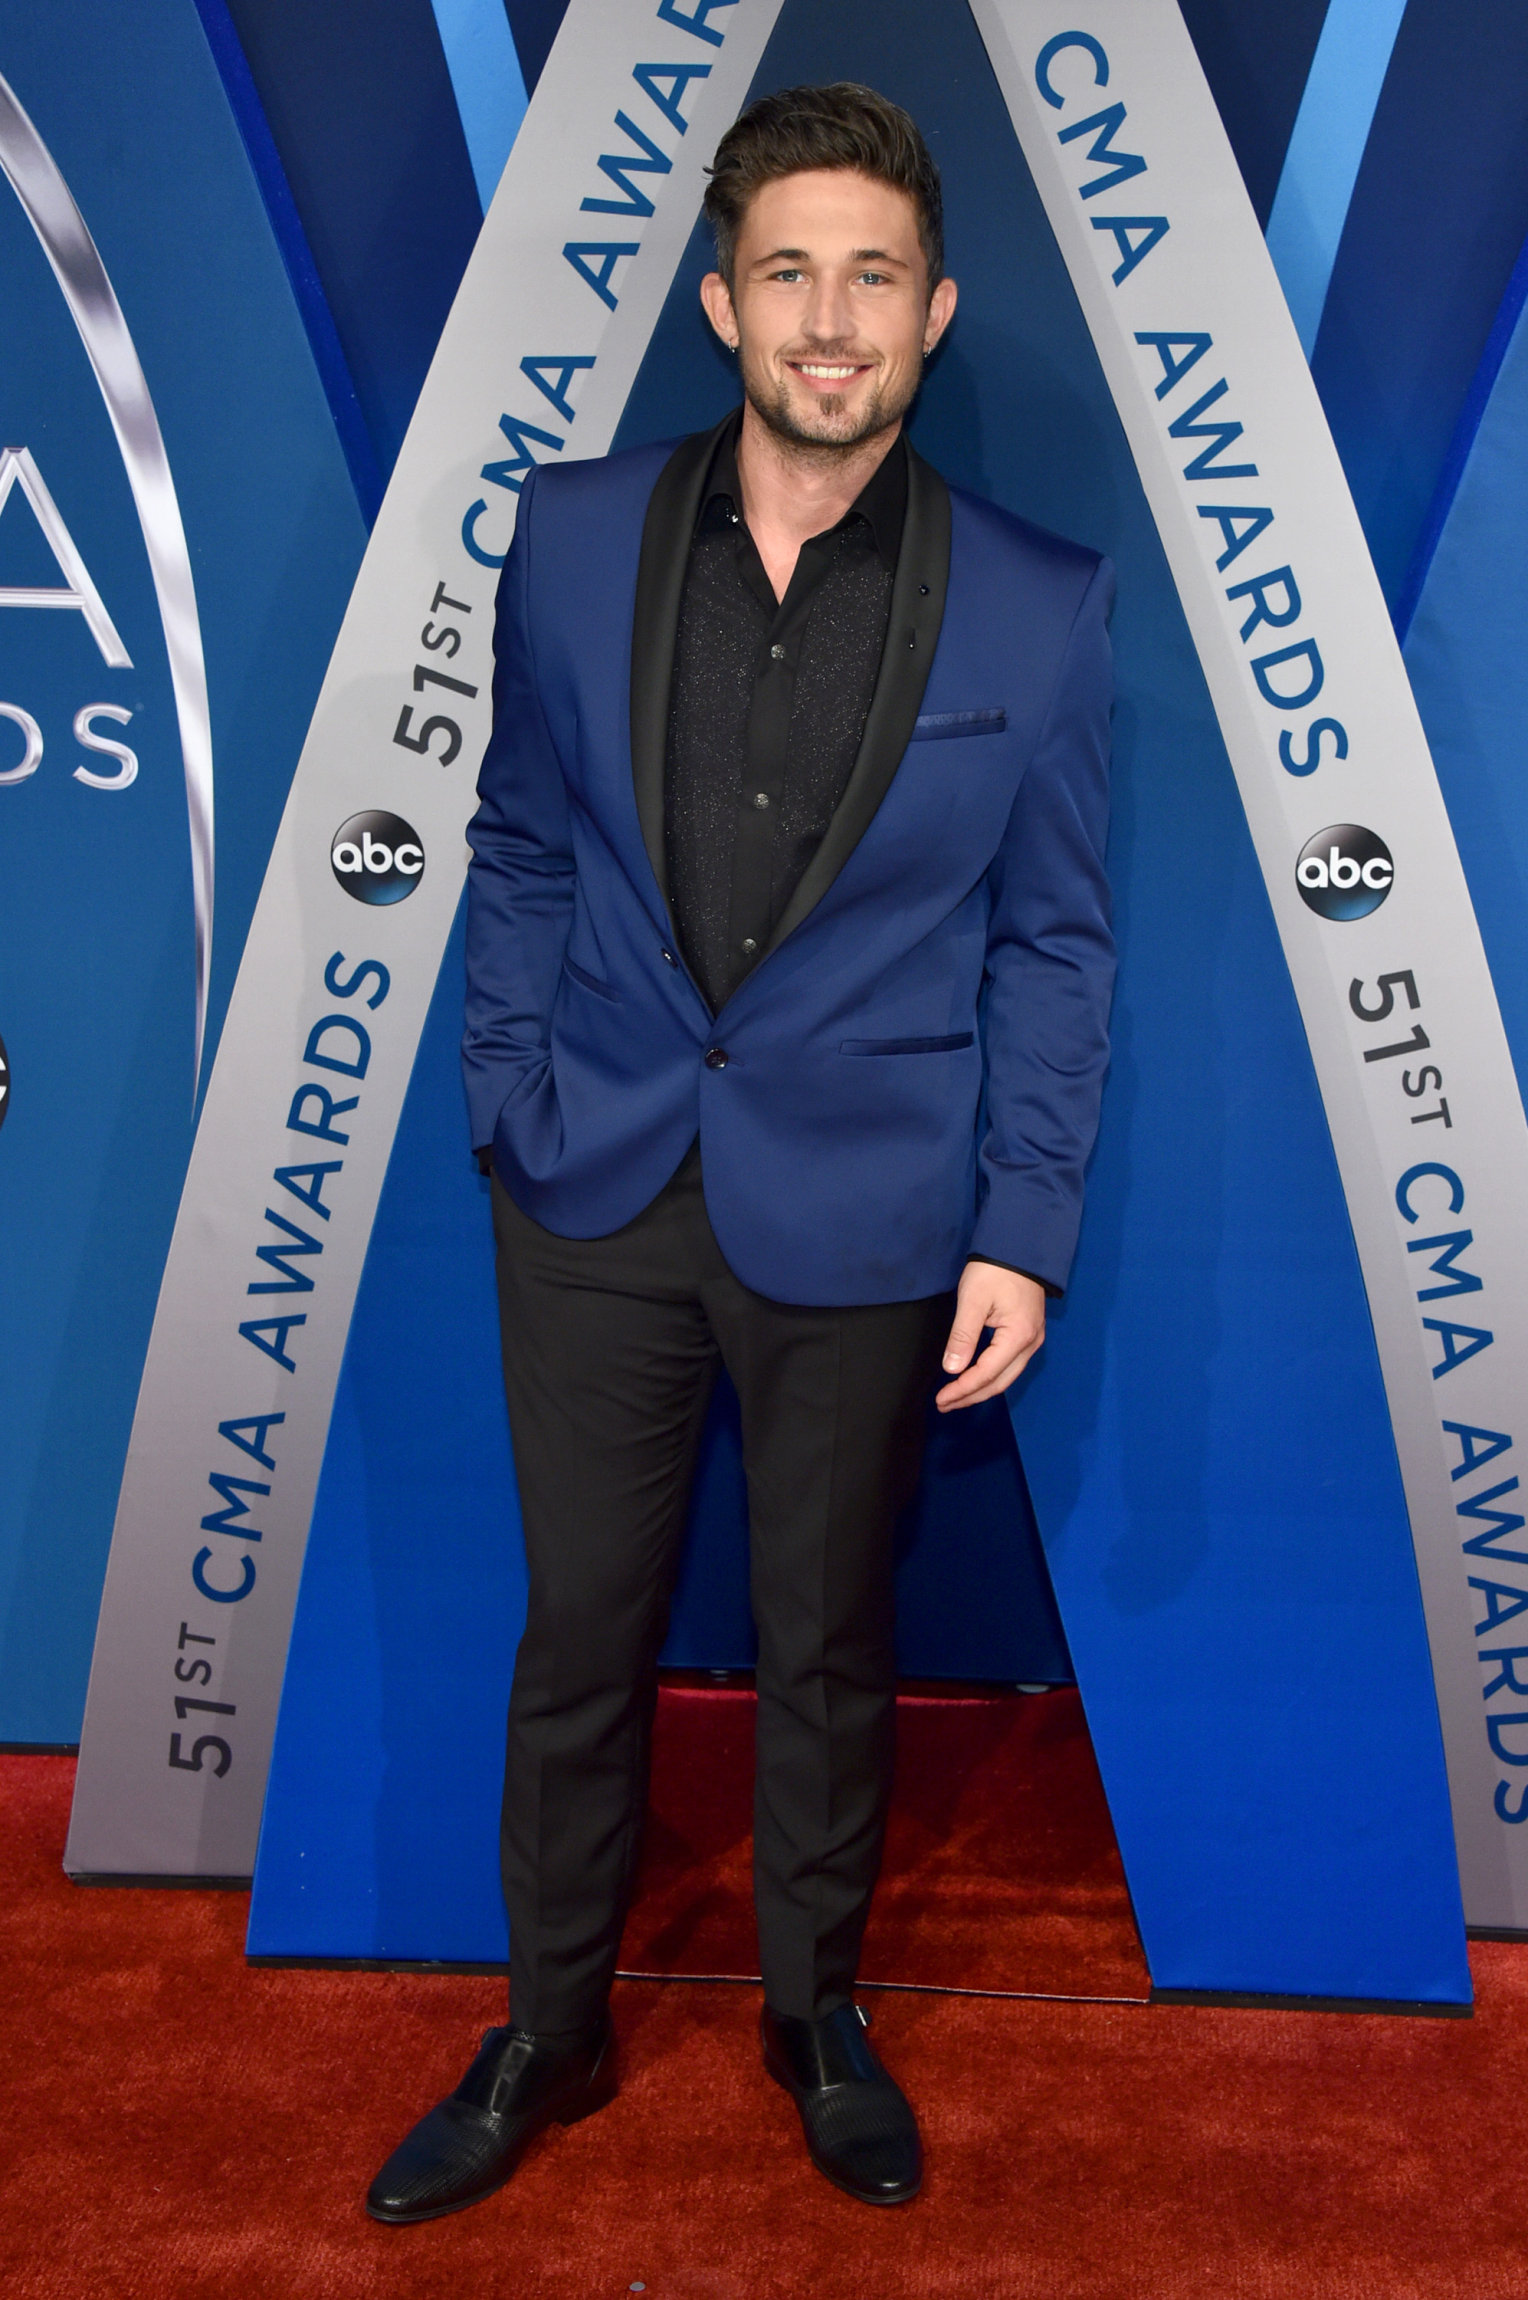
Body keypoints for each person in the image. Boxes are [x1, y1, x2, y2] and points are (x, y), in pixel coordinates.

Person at [368, 81, 1113, 2224]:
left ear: (934, 312)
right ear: (719, 299)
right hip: (589, 1175)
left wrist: (1023, 1228)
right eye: (787, 269)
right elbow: (515, 841)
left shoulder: (1040, 605)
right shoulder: (573, 529)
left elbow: (1054, 941)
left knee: (825, 1644)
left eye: (870, 276)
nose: (828, 315)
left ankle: (812, 2013)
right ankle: (547, 2024)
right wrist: (506, 1084)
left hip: (868, 1209)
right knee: (577, 1634)